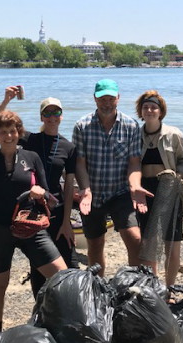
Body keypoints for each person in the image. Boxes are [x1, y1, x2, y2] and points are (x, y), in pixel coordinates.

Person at [0, 110, 67, 335]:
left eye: (13, 131)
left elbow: (51, 198)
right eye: (3, 132)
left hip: (31, 226)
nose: (9, 136)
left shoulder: (32, 158)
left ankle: (57, 325)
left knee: (62, 277)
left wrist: (40, 192)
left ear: (19, 133)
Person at [0, 87, 78, 297]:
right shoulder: (29, 139)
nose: (52, 117)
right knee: (38, 272)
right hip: (33, 213)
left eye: (56, 113)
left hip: (56, 210)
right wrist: (6, 100)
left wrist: (66, 222)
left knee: (69, 265)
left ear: (62, 116)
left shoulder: (68, 147)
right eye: (47, 113)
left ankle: (69, 312)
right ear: (41, 116)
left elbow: (70, 185)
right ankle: (41, 316)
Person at [72, 79, 151, 276]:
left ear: (118, 98)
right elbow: (80, 164)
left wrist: (135, 186)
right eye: (102, 99)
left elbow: (134, 162)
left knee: (135, 239)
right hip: (93, 194)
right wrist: (85, 189)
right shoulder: (82, 126)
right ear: (95, 99)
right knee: (95, 244)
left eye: (111, 98)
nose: (107, 103)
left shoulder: (130, 125)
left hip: (120, 192)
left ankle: (133, 286)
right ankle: (97, 287)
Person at [135, 90, 183, 286]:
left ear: (161, 111)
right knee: (149, 241)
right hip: (144, 191)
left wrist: (179, 176)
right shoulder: (135, 134)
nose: (149, 110)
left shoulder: (173, 134)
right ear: (141, 111)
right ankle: (154, 286)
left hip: (169, 188)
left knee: (172, 241)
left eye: (153, 107)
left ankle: (170, 288)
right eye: (145, 107)